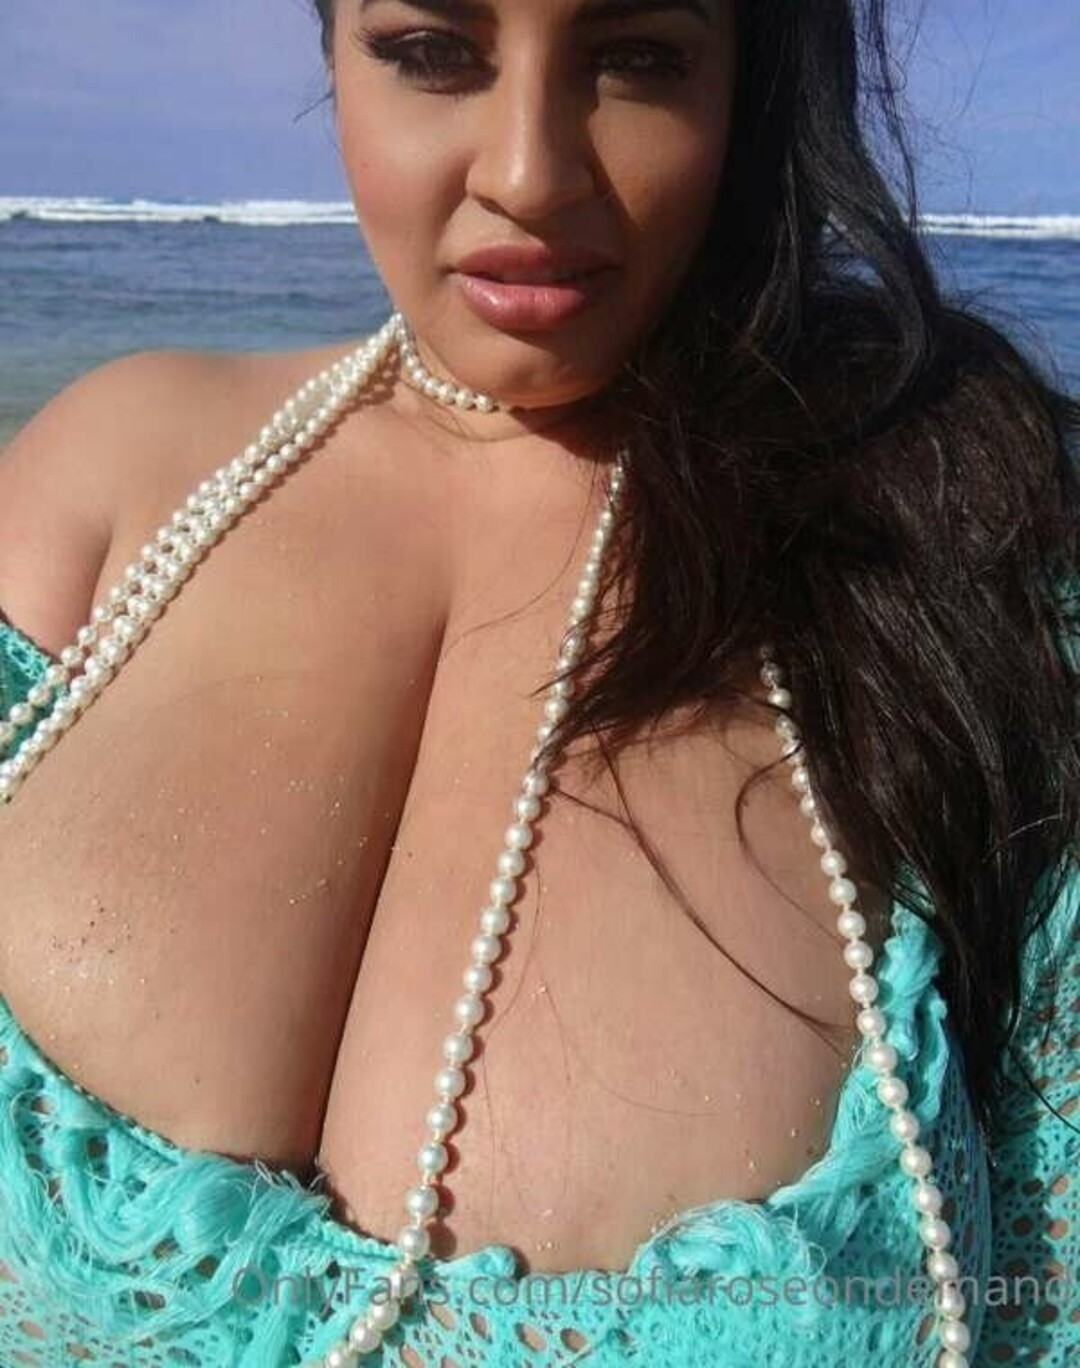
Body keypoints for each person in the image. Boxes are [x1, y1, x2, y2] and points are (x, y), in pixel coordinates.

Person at [0, 1, 1075, 1364]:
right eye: (430, 51)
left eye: (638, 58)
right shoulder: (97, 493)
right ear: (331, 50)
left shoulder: (954, 560)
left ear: (746, 83)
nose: (529, 174)